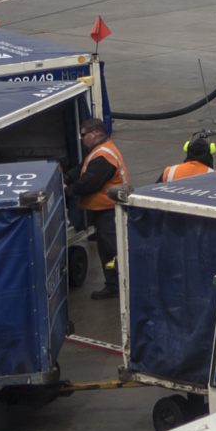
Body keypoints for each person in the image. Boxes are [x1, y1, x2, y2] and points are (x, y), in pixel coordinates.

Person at [73, 119, 129, 299]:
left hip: (110, 210)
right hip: (104, 209)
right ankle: (114, 285)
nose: (81, 138)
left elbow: (89, 183)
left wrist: (68, 189)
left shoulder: (104, 156)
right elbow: (82, 170)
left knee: (113, 249)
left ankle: (125, 285)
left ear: (94, 134)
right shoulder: (99, 151)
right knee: (106, 250)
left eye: (83, 135)